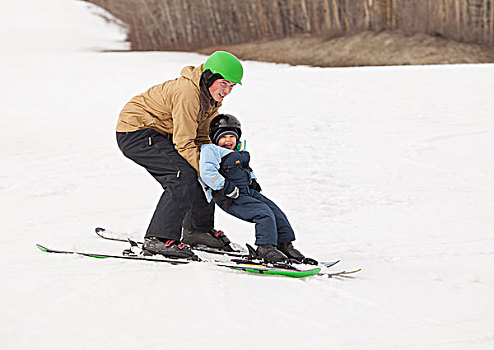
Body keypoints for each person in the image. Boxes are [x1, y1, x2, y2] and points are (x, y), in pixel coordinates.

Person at [116, 51, 243, 259]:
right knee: (181, 175)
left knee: (203, 168)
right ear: (209, 77)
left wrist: (216, 160)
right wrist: (206, 167)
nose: (227, 91)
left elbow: (201, 137)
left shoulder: (210, 98)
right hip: (135, 131)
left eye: (232, 86)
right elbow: (184, 143)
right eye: (223, 83)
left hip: (161, 132)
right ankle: (158, 239)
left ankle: (198, 231)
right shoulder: (188, 94)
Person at [199, 114, 316, 264]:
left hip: (247, 191)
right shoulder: (211, 150)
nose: (228, 140)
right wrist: (226, 187)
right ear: (215, 138)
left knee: (276, 212)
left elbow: (246, 169)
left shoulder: (239, 152)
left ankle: (284, 245)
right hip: (229, 195)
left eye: (231, 136)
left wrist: (253, 181)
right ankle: (265, 248)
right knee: (263, 214)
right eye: (223, 136)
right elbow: (207, 173)